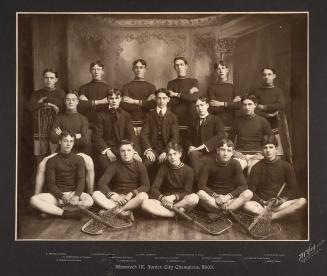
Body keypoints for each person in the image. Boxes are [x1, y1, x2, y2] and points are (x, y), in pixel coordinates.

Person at [34, 92, 95, 195]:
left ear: (77, 102)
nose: (70, 102)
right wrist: (77, 136)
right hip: (61, 153)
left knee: (89, 163)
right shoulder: (59, 118)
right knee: (41, 165)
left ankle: (91, 194)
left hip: (78, 153)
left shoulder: (82, 118)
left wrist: (63, 135)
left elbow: (85, 141)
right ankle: (36, 195)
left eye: (73, 100)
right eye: (68, 99)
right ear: (64, 102)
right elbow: (53, 138)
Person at [30, 131, 93, 219]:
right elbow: (51, 183)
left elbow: (81, 180)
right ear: (60, 141)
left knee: (89, 201)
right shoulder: (51, 160)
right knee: (33, 200)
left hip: (72, 194)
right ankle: (67, 213)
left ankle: (53, 211)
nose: (68, 144)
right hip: (56, 196)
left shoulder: (79, 159)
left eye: (71, 141)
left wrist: (76, 196)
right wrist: (61, 196)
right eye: (65, 141)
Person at [243, 135, 306, 220]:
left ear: (276, 149)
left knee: (302, 201)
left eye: (271, 147)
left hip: (279, 205)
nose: (268, 150)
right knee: (246, 205)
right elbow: (251, 192)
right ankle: (271, 215)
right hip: (261, 206)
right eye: (265, 147)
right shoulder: (256, 168)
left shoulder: (286, 166)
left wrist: (283, 200)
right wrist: (263, 202)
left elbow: (293, 188)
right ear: (261, 150)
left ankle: (272, 217)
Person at [92, 140, 150, 219]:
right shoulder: (115, 165)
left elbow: (146, 185)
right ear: (119, 152)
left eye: (129, 150)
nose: (126, 153)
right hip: (117, 198)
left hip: (131, 199)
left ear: (133, 151)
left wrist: (131, 194)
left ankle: (116, 211)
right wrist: (113, 196)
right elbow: (101, 183)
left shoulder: (140, 166)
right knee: (95, 194)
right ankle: (122, 212)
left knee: (144, 196)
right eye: (123, 151)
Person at [92, 88, 141, 176]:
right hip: (106, 148)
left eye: (117, 98)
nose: (114, 101)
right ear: (107, 99)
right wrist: (108, 151)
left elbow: (131, 135)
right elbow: (97, 137)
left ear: (120, 99)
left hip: (123, 148)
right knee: (105, 164)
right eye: (111, 98)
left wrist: (133, 151)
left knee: (137, 163)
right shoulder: (100, 115)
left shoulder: (126, 115)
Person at [142, 142, 199, 218]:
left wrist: (173, 197)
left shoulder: (189, 170)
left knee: (194, 198)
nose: (172, 157)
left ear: (180, 154)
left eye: (175, 154)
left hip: (181, 201)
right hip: (165, 200)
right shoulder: (163, 168)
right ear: (167, 156)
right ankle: (173, 214)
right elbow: (154, 188)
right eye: (170, 154)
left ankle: (167, 212)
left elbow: (187, 192)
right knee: (144, 204)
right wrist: (162, 198)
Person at [197, 139, 253, 213]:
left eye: (229, 151)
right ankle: (229, 211)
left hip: (229, 200)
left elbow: (243, 186)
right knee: (200, 193)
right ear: (217, 150)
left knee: (248, 193)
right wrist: (216, 196)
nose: (225, 154)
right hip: (214, 200)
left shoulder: (235, 163)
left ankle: (223, 212)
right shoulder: (208, 163)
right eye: (223, 150)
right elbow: (201, 185)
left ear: (232, 153)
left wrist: (227, 197)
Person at [29, 68, 65, 164]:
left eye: (51, 78)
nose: (49, 80)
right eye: (46, 78)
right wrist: (49, 105)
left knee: (56, 157)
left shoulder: (61, 93)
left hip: (55, 128)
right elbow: (31, 106)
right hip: (40, 129)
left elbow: (62, 105)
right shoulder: (36, 93)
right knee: (40, 160)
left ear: (56, 79)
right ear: (43, 79)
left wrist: (43, 100)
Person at [229, 94, 272, 172]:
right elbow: (230, 140)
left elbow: (272, 140)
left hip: (257, 155)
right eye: (244, 105)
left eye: (250, 104)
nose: (247, 107)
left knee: (253, 170)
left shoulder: (262, 121)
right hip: (241, 155)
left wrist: (262, 154)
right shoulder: (237, 121)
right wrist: (234, 152)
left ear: (255, 105)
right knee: (234, 168)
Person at [186, 97, 225, 179]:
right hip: (196, 152)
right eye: (197, 106)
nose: (199, 108)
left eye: (202, 105)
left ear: (207, 105)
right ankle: (199, 183)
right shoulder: (193, 121)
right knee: (193, 154)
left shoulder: (216, 119)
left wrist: (205, 145)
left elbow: (221, 135)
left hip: (211, 152)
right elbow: (187, 137)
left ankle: (201, 184)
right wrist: (190, 146)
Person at [140, 88, 179, 167]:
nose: (161, 101)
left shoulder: (173, 117)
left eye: (164, 98)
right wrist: (148, 150)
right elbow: (144, 134)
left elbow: (175, 137)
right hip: (152, 149)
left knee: (169, 164)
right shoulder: (149, 116)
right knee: (145, 164)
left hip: (167, 150)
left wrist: (166, 151)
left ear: (168, 99)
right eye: (159, 98)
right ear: (155, 99)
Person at [253, 67, 286, 156]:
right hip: (259, 125)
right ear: (261, 77)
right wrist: (265, 114)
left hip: (273, 125)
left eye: (269, 74)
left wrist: (264, 107)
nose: (266, 77)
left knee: (276, 154)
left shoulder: (278, 91)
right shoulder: (256, 91)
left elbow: (281, 105)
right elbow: (252, 108)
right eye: (264, 75)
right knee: (259, 154)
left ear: (274, 76)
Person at [121, 59, 156, 134]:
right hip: (130, 123)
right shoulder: (126, 87)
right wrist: (145, 103)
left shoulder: (151, 87)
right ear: (133, 69)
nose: (139, 70)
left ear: (145, 69)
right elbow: (124, 105)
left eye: (141, 67)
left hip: (147, 123)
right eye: (136, 67)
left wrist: (133, 101)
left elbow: (153, 105)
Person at [207, 61, 241, 130]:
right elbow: (213, 108)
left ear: (227, 70)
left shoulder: (233, 87)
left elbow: (238, 105)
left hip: (232, 121)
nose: (221, 71)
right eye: (218, 69)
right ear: (215, 71)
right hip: (216, 121)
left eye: (223, 68)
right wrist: (231, 103)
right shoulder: (211, 87)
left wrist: (220, 103)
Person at [167, 56, 199, 127]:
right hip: (177, 114)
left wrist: (175, 94)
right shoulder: (171, 83)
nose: (179, 67)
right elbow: (170, 102)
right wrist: (187, 96)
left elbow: (194, 98)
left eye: (181, 64)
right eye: (177, 65)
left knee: (193, 107)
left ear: (186, 66)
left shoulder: (193, 81)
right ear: (174, 68)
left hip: (192, 114)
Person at [78, 60, 112, 127]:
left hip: (104, 121)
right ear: (90, 71)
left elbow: (110, 105)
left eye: (98, 69)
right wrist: (101, 101)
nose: (96, 72)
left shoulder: (109, 88)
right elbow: (81, 104)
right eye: (94, 69)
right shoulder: (83, 87)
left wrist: (89, 103)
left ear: (102, 72)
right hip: (87, 120)